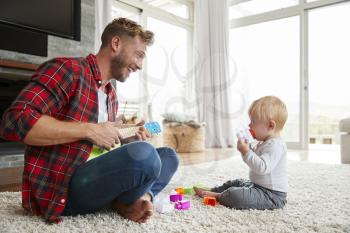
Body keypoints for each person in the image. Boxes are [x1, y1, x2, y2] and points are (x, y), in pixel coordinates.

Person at [0, 18, 179, 224]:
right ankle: (126, 201)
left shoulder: (111, 94)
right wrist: (89, 130)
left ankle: (138, 199)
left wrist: (127, 137)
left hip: (94, 177)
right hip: (63, 188)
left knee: (168, 156)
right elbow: (14, 120)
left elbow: (102, 145)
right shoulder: (68, 70)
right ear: (116, 43)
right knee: (146, 156)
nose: (139, 65)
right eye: (138, 55)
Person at [194, 96, 288, 210]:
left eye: (253, 122)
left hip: (271, 196)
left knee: (236, 196)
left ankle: (219, 196)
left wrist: (247, 152)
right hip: (257, 187)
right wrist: (249, 150)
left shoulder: (276, 145)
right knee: (237, 182)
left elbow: (262, 168)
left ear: (270, 126)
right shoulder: (264, 142)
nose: (249, 125)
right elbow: (255, 161)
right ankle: (214, 190)